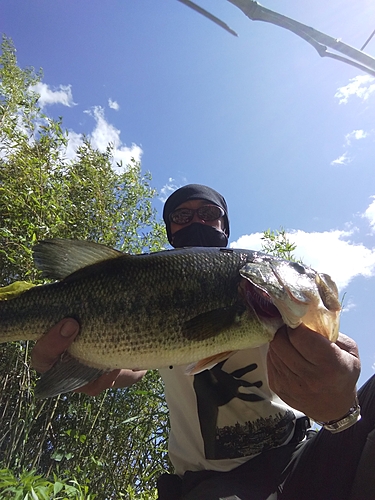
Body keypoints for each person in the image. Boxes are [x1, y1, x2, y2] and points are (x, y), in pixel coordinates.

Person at [31, 184, 375, 500]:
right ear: (170, 230)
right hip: (208, 483)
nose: (197, 220)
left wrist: (341, 409)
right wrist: (89, 370)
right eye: (182, 216)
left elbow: (330, 368)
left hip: (298, 455)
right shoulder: (145, 286)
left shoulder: (268, 294)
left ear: (224, 226)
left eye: (209, 214)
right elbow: (130, 369)